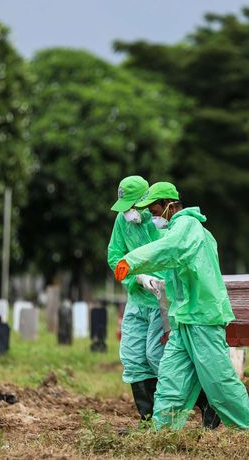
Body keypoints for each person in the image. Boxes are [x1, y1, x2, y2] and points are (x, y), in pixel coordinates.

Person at [114, 188, 249, 430]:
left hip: (203, 318)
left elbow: (167, 250)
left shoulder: (188, 227)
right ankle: (163, 431)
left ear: (168, 204)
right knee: (171, 381)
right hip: (184, 319)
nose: (151, 214)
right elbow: (174, 281)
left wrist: (131, 262)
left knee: (219, 382)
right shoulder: (177, 229)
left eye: (154, 208)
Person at [107, 175, 167, 422]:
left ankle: (190, 407)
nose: (129, 212)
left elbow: (170, 258)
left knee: (157, 356)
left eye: (133, 205)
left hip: (161, 301)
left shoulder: (163, 223)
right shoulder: (122, 221)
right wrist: (136, 278)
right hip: (137, 299)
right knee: (132, 358)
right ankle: (149, 418)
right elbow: (115, 255)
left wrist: (157, 280)